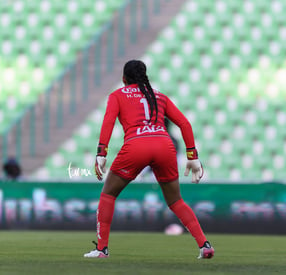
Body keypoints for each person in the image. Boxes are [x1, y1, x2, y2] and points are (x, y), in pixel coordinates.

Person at [84, 60, 214, 259]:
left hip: (136, 145)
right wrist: (192, 157)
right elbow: (185, 124)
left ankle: (102, 249)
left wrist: (101, 153)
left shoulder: (117, 95)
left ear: (123, 79)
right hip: (164, 145)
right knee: (176, 201)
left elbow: (108, 122)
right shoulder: (159, 96)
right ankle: (204, 245)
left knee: (108, 195)